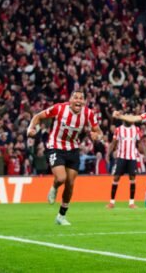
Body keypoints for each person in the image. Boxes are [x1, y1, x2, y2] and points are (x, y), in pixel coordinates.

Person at [27, 90, 103, 226]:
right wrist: (30, 128)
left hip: (73, 149)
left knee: (70, 184)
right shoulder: (59, 108)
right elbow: (38, 116)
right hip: (55, 146)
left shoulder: (89, 114)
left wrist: (97, 136)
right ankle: (55, 186)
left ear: (84, 102)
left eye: (81, 98)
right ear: (70, 100)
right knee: (61, 178)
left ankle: (61, 216)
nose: (78, 100)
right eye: (75, 98)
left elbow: (98, 131)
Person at [106, 120, 146, 209]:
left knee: (132, 178)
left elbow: (139, 143)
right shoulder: (119, 129)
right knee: (116, 177)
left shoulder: (136, 129)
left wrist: (145, 154)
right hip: (121, 157)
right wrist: (108, 154)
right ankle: (112, 202)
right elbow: (113, 143)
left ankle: (131, 203)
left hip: (132, 157)